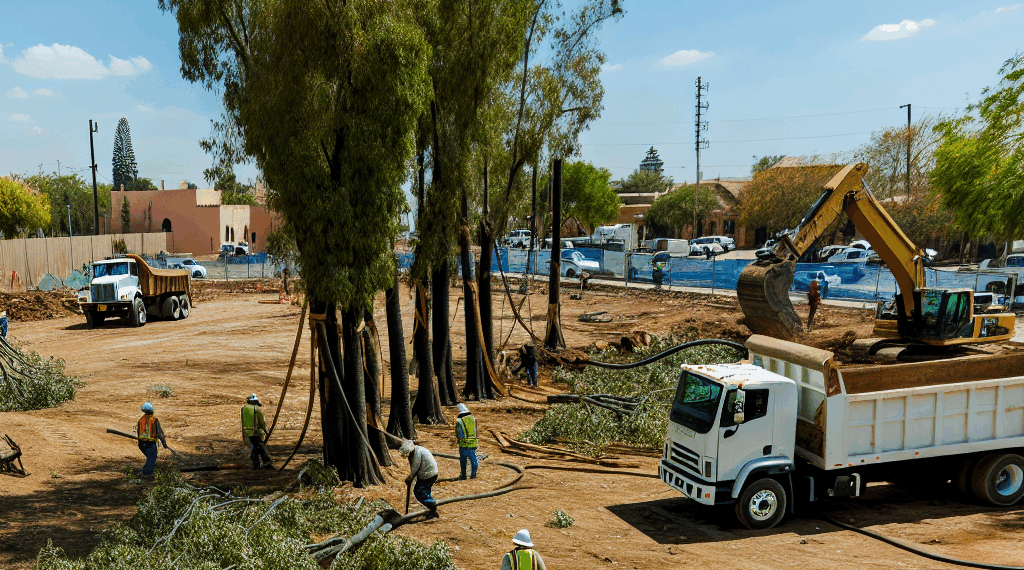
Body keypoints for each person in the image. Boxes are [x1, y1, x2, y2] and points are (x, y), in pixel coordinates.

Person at [400, 440, 439, 519]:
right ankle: (431, 510)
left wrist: (410, 478)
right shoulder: (417, 450)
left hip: (428, 474)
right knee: (426, 492)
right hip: (429, 473)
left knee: (418, 492)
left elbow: (415, 468)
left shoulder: (417, 453)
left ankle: (432, 506)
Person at [241, 394, 273, 469]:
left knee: (255, 448)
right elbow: (261, 421)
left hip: (247, 432)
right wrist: (265, 430)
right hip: (255, 432)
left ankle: (258, 464)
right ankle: (265, 461)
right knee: (259, 447)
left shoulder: (244, 408)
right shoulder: (256, 409)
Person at [136, 401, 167, 477]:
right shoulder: (154, 420)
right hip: (150, 444)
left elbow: (138, 432)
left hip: (141, 444)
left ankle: (147, 470)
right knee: (152, 457)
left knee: (150, 458)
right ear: (152, 411)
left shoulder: (141, 420)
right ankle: (146, 473)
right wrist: (164, 443)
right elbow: (160, 433)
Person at [455, 403, 478, 480]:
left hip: (464, 444)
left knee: (463, 460)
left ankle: (463, 475)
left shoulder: (460, 421)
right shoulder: (473, 419)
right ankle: (473, 475)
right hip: (473, 442)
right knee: (473, 459)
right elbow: (476, 430)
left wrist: (459, 440)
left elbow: (459, 433)